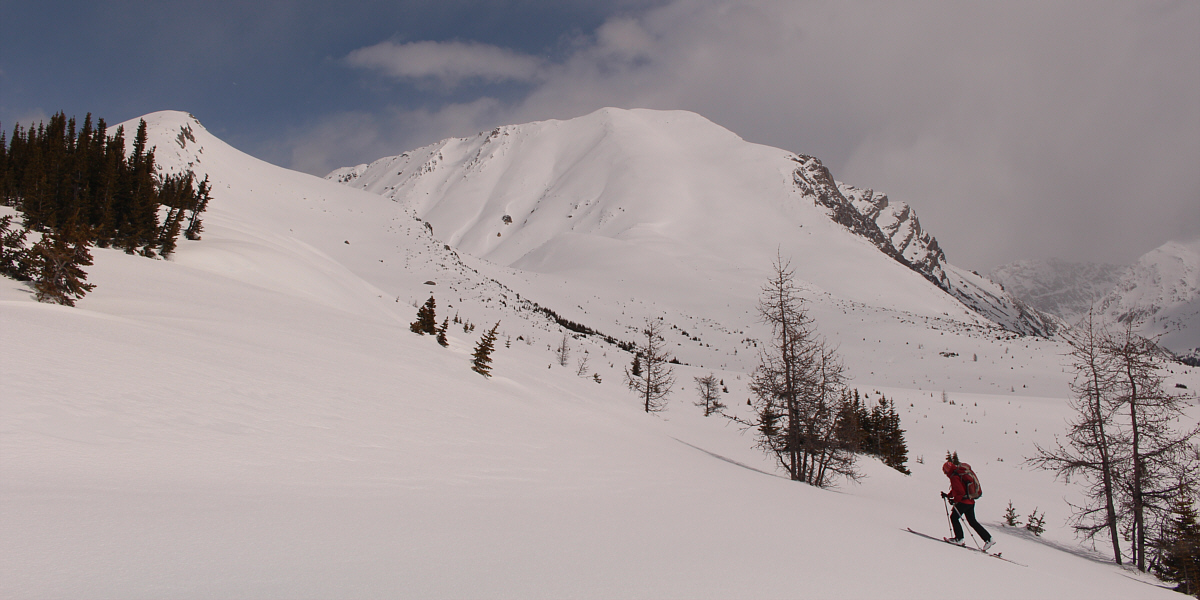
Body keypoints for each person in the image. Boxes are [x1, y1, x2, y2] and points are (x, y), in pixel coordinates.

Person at [942, 459, 995, 551]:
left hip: (963, 502)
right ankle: (988, 539)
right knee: (972, 521)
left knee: (954, 518)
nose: (945, 473)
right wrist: (949, 495)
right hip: (970, 502)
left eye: (944, 471)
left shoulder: (954, 476)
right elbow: (958, 489)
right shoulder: (958, 473)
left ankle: (959, 539)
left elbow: (960, 492)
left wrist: (954, 500)